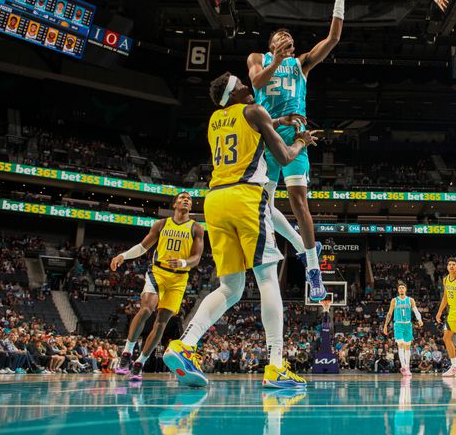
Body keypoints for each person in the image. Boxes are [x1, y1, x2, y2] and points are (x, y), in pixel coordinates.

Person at [163, 72, 316, 388]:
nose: (250, 87)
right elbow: (285, 156)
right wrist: (302, 140)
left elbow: (248, 120)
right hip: (246, 197)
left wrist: (277, 117)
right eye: (243, 86)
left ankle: (183, 345)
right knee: (267, 278)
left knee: (230, 288)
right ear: (234, 94)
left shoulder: (215, 119)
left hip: (215, 201)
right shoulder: (255, 111)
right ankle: (275, 365)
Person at [247, 0, 355, 302]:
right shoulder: (258, 58)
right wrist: (276, 59)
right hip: (266, 137)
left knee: (297, 200)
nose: (286, 37)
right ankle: (299, 243)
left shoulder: (301, 64)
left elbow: (333, 38)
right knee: (261, 204)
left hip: (295, 137)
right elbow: (257, 84)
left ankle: (313, 269)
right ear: (271, 43)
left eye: (288, 36)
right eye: (280, 35)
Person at [110, 192, 204, 381]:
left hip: (179, 279)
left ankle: (140, 362)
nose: (186, 200)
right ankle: (127, 352)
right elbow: (143, 247)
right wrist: (123, 256)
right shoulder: (161, 224)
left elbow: (197, 257)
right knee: (146, 309)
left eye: (189, 199)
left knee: (161, 322)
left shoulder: (196, 228)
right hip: (158, 273)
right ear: (175, 204)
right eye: (182, 198)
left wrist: (184, 263)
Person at [383, 282, 424, 377]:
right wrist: (385, 325)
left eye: (403, 287)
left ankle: (407, 367)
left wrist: (420, 319)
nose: (401, 289)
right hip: (398, 324)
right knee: (400, 344)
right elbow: (389, 313)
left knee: (407, 346)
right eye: (400, 288)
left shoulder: (410, 300)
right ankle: (404, 366)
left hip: (408, 325)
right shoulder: (394, 300)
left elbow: (416, 311)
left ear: (405, 289)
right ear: (398, 290)